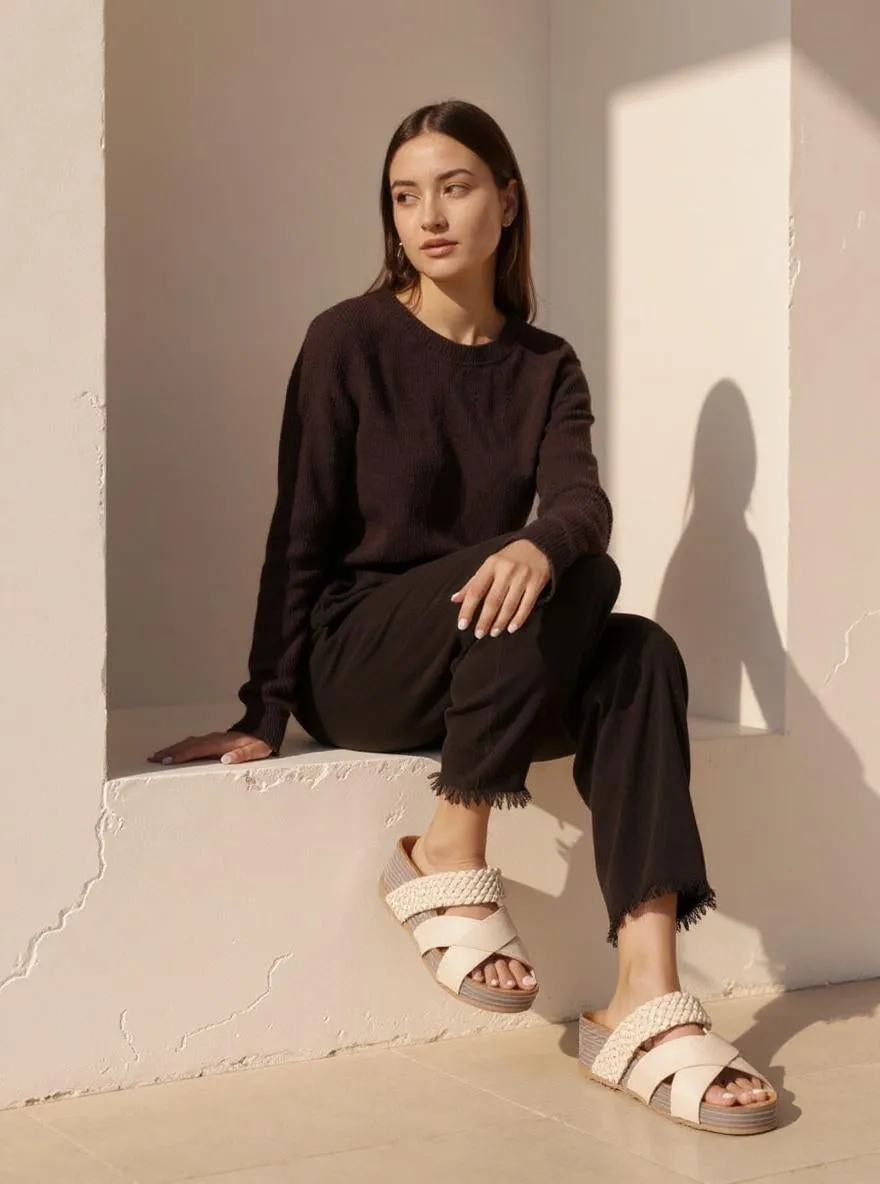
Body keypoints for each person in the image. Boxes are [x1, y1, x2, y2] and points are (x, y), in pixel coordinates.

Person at [150, 100, 776, 1135]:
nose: (429, 216)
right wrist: (264, 707)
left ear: (507, 201)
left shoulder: (545, 365)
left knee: (639, 647)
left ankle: (644, 988)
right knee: (558, 567)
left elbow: (580, 503)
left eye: (455, 187)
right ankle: (450, 843)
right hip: (360, 658)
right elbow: (298, 530)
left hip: (487, 665)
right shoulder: (347, 339)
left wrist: (539, 544)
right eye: (406, 196)